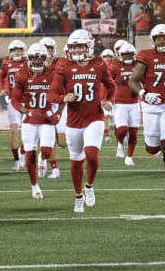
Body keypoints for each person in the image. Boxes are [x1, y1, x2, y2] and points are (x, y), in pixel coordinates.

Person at [48, 30, 115, 212]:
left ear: (89, 47)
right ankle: (78, 196)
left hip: (95, 116)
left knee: (92, 155)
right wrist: (63, 97)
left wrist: (109, 101)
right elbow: (52, 93)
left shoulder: (99, 63)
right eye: (74, 47)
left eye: (80, 46)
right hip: (73, 120)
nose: (76, 50)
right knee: (76, 160)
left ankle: (89, 186)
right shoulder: (63, 65)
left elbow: (111, 85)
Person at [129, 24, 165, 200]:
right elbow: (133, 80)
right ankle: (157, 145)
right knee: (152, 149)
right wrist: (144, 93)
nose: (162, 41)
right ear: (153, 40)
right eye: (159, 38)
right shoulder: (146, 56)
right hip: (150, 108)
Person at [10, 43, 57, 200]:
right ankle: (34, 186)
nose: (37, 61)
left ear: (46, 59)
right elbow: (14, 99)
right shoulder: (22, 74)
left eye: (40, 58)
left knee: (46, 151)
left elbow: (63, 95)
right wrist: (26, 110)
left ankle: (42, 159)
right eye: (34, 58)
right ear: (29, 58)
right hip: (30, 119)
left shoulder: (53, 73)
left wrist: (59, 113)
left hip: (46, 118)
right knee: (30, 154)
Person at [0, 39, 28, 171]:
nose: (16, 53)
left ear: (23, 51)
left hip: (27, 99)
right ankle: (16, 158)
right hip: (12, 99)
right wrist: (1, 87)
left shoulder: (28, 62)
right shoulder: (6, 62)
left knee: (27, 131)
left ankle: (23, 153)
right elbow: (1, 76)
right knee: (14, 129)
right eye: (14, 50)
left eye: (19, 50)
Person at [108, 42, 140, 165]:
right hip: (120, 103)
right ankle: (120, 144)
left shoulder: (138, 66)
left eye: (130, 55)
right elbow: (108, 83)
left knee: (133, 131)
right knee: (121, 130)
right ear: (120, 55)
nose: (127, 57)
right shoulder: (114, 65)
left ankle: (129, 156)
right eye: (125, 55)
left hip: (134, 102)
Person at [38, 37, 65, 179]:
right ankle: (54, 168)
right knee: (49, 138)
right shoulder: (34, 65)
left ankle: (43, 155)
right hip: (43, 104)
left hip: (59, 102)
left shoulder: (60, 64)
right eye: (46, 48)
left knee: (63, 142)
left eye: (50, 48)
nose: (48, 51)